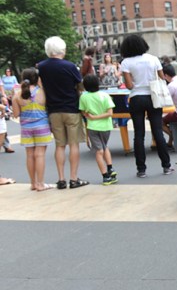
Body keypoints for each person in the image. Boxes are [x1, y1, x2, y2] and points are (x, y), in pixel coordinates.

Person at [119, 34, 174, 178]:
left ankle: (141, 169)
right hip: (153, 97)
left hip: (136, 98)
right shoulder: (153, 59)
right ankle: (166, 166)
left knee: (139, 134)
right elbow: (162, 78)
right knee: (157, 131)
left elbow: (129, 85)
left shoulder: (126, 62)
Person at [37, 36, 89, 189]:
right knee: (74, 144)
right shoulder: (70, 66)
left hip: (53, 110)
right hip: (71, 109)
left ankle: (61, 179)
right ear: (62, 49)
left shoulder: (41, 67)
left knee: (60, 145)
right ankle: (73, 179)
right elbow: (81, 86)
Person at [11, 68, 52, 190]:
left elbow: (16, 114)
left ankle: (33, 183)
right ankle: (41, 183)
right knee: (40, 155)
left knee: (29, 155)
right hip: (42, 126)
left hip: (26, 128)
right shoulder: (42, 92)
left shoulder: (17, 95)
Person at [78, 74, 118, 185]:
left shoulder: (84, 97)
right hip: (106, 127)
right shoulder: (105, 95)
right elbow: (110, 113)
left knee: (99, 151)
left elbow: (83, 112)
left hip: (92, 127)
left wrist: (93, 117)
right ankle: (110, 168)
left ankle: (105, 176)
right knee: (105, 147)